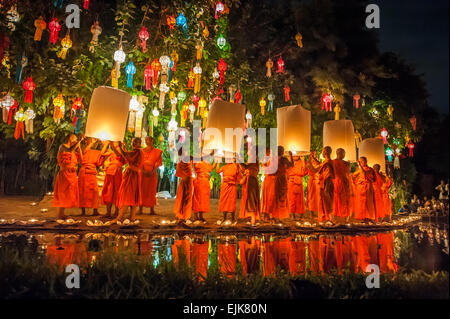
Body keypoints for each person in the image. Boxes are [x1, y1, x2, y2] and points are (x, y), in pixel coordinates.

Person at [53, 134, 84, 219]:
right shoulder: (62, 147)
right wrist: (79, 141)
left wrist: (79, 147)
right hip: (65, 173)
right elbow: (69, 151)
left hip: (72, 174)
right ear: (70, 138)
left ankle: (62, 213)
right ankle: (59, 214)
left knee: (68, 193)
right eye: (75, 137)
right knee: (62, 193)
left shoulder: (73, 150)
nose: (76, 139)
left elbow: (82, 160)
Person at [112, 138, 143, 223]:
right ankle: (132, 218)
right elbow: (128, 155)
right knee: (133, 196)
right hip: (134, 175)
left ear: (138, 143)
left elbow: (127, 156)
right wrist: (122, 148)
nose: (133, 144)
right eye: (133, 142)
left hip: (132, 175)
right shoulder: (137, 152)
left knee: (128, 195)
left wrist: (120, 147)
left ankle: (119, 217)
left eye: (135, 142)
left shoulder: (137, 152)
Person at [78, 137, 108, 216]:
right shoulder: (84, 149)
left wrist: (106, 144)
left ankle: (95, 210)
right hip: (84, 172)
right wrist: (92, 143)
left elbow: (102, 153)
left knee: (94, 191)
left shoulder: (96, 151)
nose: (92, 140)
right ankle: (83, 211)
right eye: (90, 139)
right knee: (82, 191)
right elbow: (85, 151)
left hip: (91, 172)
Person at [267, 146, 294, 223]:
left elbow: (290, 165)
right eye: (281, 150)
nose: (282, 152)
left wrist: (290, 157)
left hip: (280, 179)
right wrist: (291, 156)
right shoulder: (278, 159)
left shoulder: (280, 159)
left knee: (280, 197)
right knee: (277, 197)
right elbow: (291, 165)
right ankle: (276, 216)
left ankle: (278, 216)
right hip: (279, 179)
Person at [309, 147, 335, 223]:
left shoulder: (327, 161)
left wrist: (309, 164)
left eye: (323, 151)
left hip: (327, 182)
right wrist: (314, 158)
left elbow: (315, 170)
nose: (322, 153)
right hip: (325, 182)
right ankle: (326, 218)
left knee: (327, 201)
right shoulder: (327, 161)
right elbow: (321, 165)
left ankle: (330, 219)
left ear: (325, 152)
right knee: (325, 200)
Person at [139, 136, 163, 215]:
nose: (147, 142)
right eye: (146, 140)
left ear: (152, 141)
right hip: (142, 173)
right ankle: (140, 209)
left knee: (152, 191)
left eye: (149, 140)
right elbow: (139, 161)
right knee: (141, 190)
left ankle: (151, 209)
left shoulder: (157, 151)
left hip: (152, 173)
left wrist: (153, 171)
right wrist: (142, 170)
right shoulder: (141, 151)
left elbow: (158, 162)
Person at [101, 142, 125, 218]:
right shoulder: (112, 152)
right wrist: (106, 144)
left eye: (115, 141)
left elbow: (118, 154)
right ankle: (108, 212)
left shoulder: (122, 149)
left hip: (117, 172)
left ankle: (116, 212)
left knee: (117, 191)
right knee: (109, 191)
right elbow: (102, 153)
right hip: (110, 171)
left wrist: (112, 145)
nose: (113, 142)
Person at [238, 146, 260, 226]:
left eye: (250, 150)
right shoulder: (250, 161)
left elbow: (247, 167)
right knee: (248, 200)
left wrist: (239, 160)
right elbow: (245, 169)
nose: (248, 151)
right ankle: (251, 220)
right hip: (248, 182)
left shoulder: (254, 160)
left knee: (252, 200)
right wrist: (239, 163)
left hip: (252, 182)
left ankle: (253, 221)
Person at [216, 157, 242, 223]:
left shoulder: (236, 166)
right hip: (225, 185)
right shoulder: (224, 167)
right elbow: (217, 171)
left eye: (230, 158)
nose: (228, 159)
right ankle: (224, 217)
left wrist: (235, 163)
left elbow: (238, 173)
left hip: (232, 186)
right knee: (224, 201)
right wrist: (218, 163)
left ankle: (233, 218)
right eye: (227, 158)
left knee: (232, 201)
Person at [192, 155, 216, 223]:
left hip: (205, 183)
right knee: (197, 199)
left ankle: (201, 216)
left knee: (203, 200)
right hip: (199, 182)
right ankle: (195, 216)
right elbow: (195, 166)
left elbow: (211, 168)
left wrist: (216, 160)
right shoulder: (197, 162)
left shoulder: (207, 163)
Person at [352, 156, 376, 222]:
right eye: (360, 161)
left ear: (366, 161)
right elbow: (353, 176)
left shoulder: (369, 169)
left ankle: (369, 217)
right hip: (360, 187)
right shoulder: (359, 170)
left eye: (362, 161)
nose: (361, 162)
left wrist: (360, 166)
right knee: (361, 202)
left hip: (367, 187)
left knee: (368, 202)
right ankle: (363, 217)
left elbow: (364, 174)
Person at [174, 149, 194, 224]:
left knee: (182, 198)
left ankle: (181, 216)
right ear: (184, 152)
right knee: (186, 199)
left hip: (183, 181)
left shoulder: (180, 160)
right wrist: (210, 154)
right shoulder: (187, 158)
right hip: (187, 181)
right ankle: (184, 217)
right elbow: (199, 159)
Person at [332, 148, 351, 223]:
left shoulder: (345, 163)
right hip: (336, 181)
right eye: (343, 153)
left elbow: (347, 173)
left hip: (344, 182)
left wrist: (348, 166)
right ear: (338, 153)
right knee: (336, 198)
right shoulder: (333, 162)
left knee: (344, 199)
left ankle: (345, 215)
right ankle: (335, 214)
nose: (344, 155)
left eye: (344, 153)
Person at [287, 155, 307, 220]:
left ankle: (301, 216)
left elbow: (304, 170)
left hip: (298, 181)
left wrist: (303, 160)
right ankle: (292, 215)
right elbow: (286, 170)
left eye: (297, 155)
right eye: (294, 155)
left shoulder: (301, 162)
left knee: (300, 200)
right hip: (291, 182)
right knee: (291, 199)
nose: (296, 156)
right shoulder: (289, 161)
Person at [261, 147, 277, 221]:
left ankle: (272, 214)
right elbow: (264, 170)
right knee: (266, 197)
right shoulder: (264, 160)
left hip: (273, 180)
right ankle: (266, 214)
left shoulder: (274, 159)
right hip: (267, 180)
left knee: (272, 197)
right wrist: (264, 164)